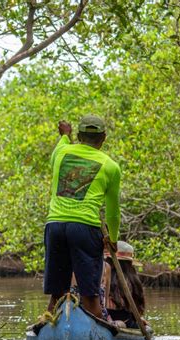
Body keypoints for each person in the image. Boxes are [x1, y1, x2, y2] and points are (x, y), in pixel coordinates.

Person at [44, 115, 121, 319]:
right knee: (90, 297)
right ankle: (96, 335)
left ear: (79, 136)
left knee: (56, 295)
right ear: (103, 138)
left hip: (55, 226)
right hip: (85, 229)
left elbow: (60, 145)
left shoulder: (61, 153)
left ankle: (49, 329)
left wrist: (65, 136)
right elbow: (113, 211)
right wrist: (112, 238)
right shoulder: (111, 166)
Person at [104, 241, 146, 328]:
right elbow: (136, 309)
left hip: (106, 315)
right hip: (125, 319)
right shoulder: (132, 280)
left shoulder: (102, 275)